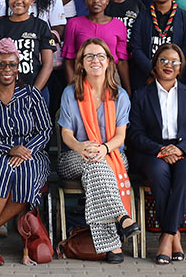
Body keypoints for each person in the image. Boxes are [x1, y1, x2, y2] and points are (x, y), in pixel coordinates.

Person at [0, 38, 51, 266]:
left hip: (31, 153)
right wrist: (9, 150)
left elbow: (45, 131)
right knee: (2, 167)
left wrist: (24, 151)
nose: (7, 70)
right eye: (1, 65)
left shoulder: (32, 95)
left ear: (18, 68)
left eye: (12, 65)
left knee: (26, 173)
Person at [127, 43, 186, 264]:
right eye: (163, 60)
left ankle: (166, 235)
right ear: (154, 65)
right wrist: (160, 150)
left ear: (181, 68)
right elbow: (135, 133)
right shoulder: (142, 95)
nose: (168, 65)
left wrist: (180, 149)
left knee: (185, 171)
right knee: (158, 171)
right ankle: (175, 235)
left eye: (174, 61)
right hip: (152, 150)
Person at [57, 38, 135, 263]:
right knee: (95, 163)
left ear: (109, 61)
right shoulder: (70, 93)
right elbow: (66, 135)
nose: (95, 60)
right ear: (81, 63)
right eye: (89, 56)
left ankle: (112, 246)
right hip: (74, 156)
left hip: (112, 154)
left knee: (96, 168)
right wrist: (81, 147)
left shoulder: (120, 95)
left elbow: (120, 137)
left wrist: (104, 148)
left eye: (100, 56)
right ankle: (122, 218)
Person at [0, 0, 57, 94]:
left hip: (36, 89)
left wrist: (34, 92)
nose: (18, 1)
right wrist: (4, 88)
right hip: (5, 91)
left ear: (31, 1)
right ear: (8, 0)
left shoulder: (40, 26)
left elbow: (48, 65)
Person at [131, 0, 186, 90]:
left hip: (177, 77)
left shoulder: (185, 17)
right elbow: (136, 47)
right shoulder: (142, 16)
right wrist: (152, 71)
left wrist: (172, 72)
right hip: (147, 77)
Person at [62, 0, 128, 86]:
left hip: (111, 78)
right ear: (84, 1)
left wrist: (127, 90)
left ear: (107, 0)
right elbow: (69, 61)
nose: (96, 1)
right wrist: (73, 86)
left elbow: (122, 62)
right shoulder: (74, 24)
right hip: (82, 77)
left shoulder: (118, 25)